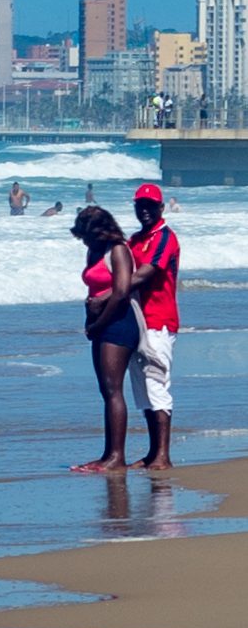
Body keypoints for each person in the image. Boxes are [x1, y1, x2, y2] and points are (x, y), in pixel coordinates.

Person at [69, 206, 139, 472]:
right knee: (105, 391)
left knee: (113, 389)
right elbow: (94, 289)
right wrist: (92, 321)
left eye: (86, 236)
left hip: (120, 324)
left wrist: (99, 322)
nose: (84, 241)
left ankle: (116, 456)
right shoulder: (94, 250)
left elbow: (121, 292)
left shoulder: (118, 250)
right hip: (100, 325)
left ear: (99, 231)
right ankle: (108, 453)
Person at [126, 184, 180, 469]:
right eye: (140, 205)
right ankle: (152, 453)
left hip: (160, 321)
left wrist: (110, 294)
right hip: (137, 323)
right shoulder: (134, 240)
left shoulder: (164, 238)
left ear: (160, 208)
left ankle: (163, 456)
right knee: (142, 390)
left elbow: (145, 274)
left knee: (157, 383)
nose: (144, 210)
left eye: (150, 205)